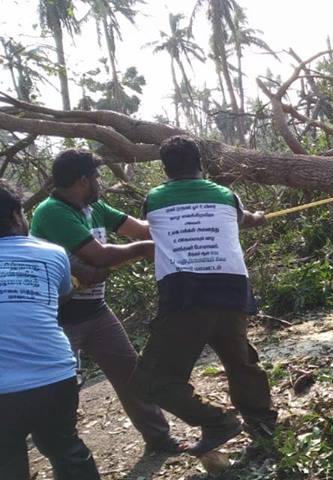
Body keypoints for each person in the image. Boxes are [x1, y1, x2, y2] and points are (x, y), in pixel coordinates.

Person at [133, 135, 278, 457]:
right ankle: (263, 424)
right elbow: (244, 220)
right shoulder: (226, 196)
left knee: (153, 380)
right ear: (200, 163)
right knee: (239, 360)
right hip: (230, 288)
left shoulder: (153, 199)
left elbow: (154, 229)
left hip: (185, 294)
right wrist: (260, 217)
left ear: (165, 169)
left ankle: (218, 422)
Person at [29, 149, 182, 454]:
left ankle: (159, 439)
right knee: (61, 389)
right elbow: (98, 255)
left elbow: (140, 229)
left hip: (95, 312)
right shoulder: (51, 212)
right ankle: (65, 455)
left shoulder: (93, 206)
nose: (100, 183)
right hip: (58, 319)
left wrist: (186, 224)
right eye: (97, 177)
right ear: (83, 180)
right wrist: (142, 249)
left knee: (131, 373)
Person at [0, 180, 101, 480]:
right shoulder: (52, 254)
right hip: (54, 377)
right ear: (17, 215)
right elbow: (62, 297)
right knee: (66, 450)